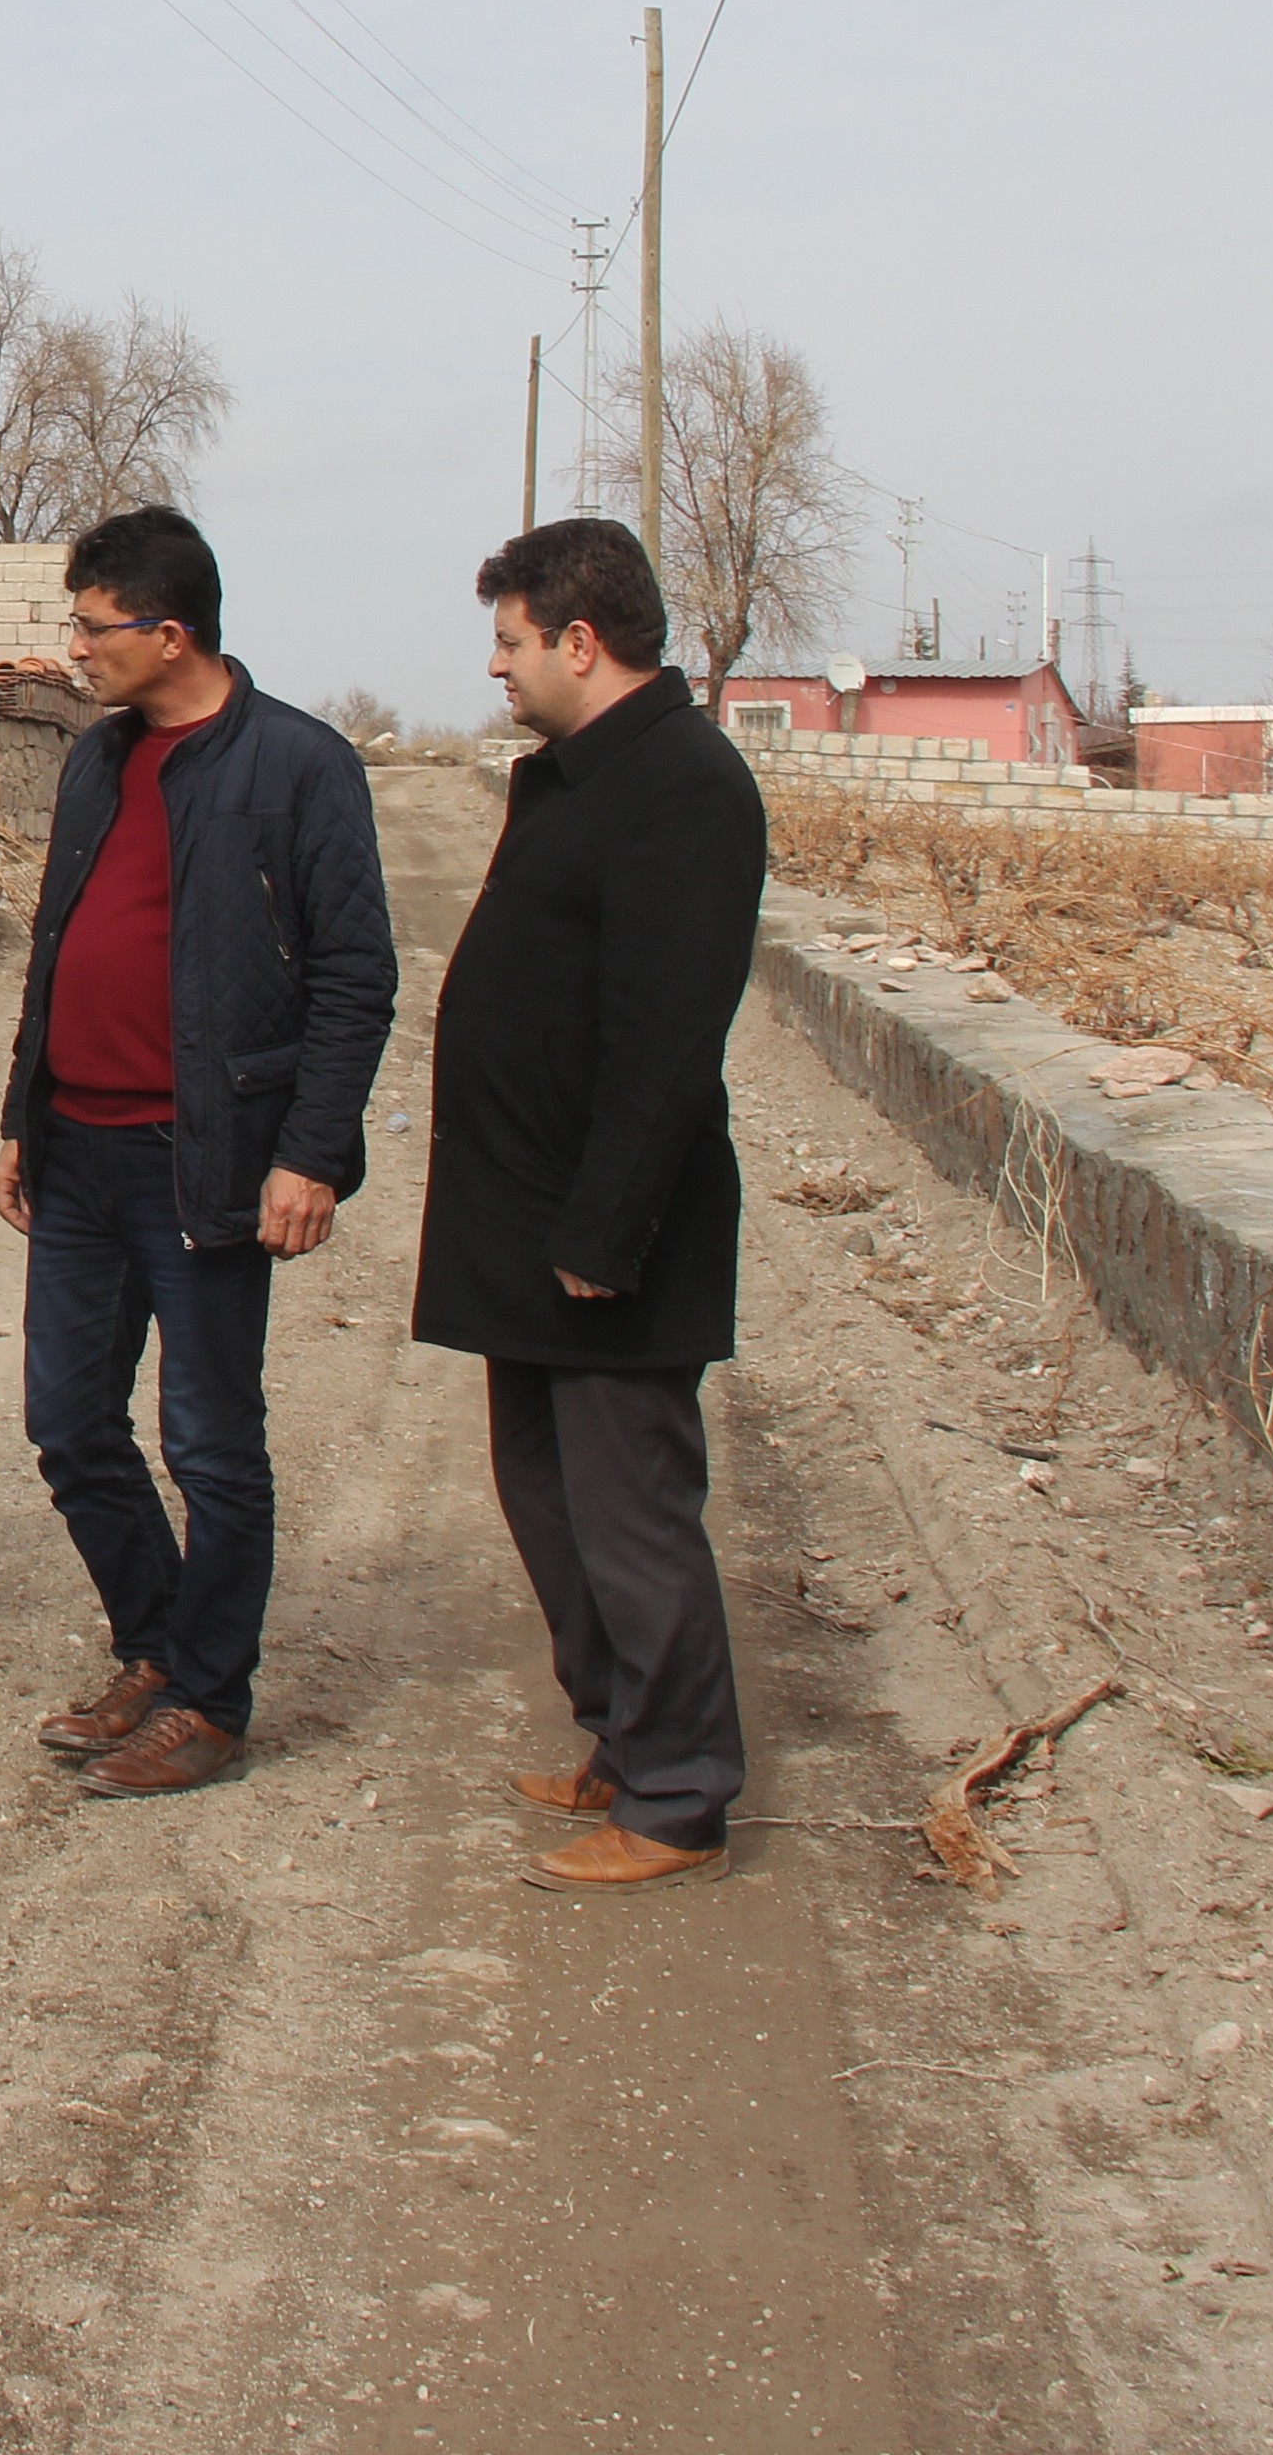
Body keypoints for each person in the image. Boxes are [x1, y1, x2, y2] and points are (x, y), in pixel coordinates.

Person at [0, 506, 398, 1798]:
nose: (76, 647)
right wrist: (22, 1107)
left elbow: (356, 975)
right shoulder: (97, 761)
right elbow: (57, 943)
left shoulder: (296, 765)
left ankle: (211, 1699)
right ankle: (160, 1647)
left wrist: (313, 1152)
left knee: (211, 1443)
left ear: (172, 634)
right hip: (81, 1152)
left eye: (93, 625)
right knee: (68, 1424)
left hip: (203, 1157)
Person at [413, 515, 771, 1891]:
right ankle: (620, 1735)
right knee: (546, 1496)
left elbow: (669, 1040)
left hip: (603, 1234)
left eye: (510, 640)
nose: (495, 665)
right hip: (523, 1221)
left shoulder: (686, 786)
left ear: (579, 639)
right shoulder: (568, 778)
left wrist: (606, 1232)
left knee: (630, 1513)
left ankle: (681, 1794)